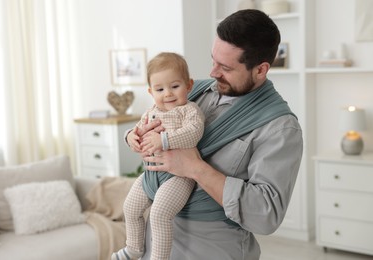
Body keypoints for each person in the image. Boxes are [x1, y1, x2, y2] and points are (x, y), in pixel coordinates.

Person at [128, 9, 303, 260]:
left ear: (261, 69)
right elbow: (154, 131)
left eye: (225, 67)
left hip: (212, 249)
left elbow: (267, 214)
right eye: (213, 60)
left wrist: (195, 168)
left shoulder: (280, 128)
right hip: (155, 245)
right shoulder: (191, 93)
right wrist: (139, 136)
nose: (212, 72)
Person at [111, 52, 205, 260]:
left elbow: (193, 133)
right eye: (160, 89)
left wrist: (164, 140)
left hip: (178, 176)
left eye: (175, 86)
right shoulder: (150, 112)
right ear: (151, 92)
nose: (168, 94)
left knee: (159, 214)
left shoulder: (189, 111)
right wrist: (131, 138)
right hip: (151, 174)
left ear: (189, 85)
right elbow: (137, 130)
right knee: (130, 208)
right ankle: (134, 247)